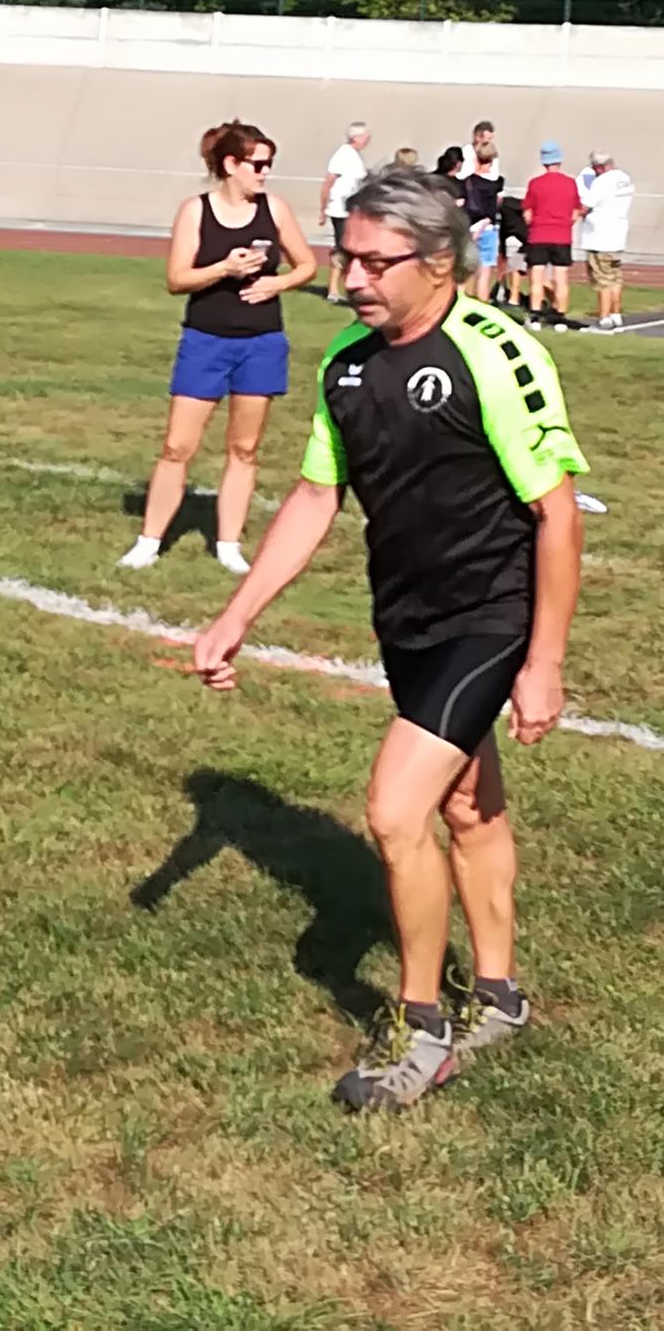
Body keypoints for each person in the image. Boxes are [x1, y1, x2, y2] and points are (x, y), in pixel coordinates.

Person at [194, 165, 586, 1111]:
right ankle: (498, 995)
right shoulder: (347, 364)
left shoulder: (492, 352)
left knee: (393, 812)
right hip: (406, 617)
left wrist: (541, 662)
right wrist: (235, 614)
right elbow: (318, 495)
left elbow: (558, 515)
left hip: (489, 614)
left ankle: (423, 1030)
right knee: (466, 807)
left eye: (376, 262)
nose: (352, 279)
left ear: (439, 261)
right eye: (345, 258)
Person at [118, 121, 316, 576]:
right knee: (177, 446)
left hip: (261, 342)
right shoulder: (196, 211)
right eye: (258, 165)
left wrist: (279, 282)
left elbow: (306, 264)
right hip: (205, 341)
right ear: (231, 165)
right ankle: (149, 541)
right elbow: (176, 279)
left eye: (269, 165)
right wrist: (224, 268)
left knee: (244, 448)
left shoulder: (275, 209)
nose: (265, 173)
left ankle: (228, 545)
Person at [523, 143, 583, 331]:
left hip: (539, 234)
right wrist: (565, 224)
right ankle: (560, 316)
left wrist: (535, 223)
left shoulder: (535, 184)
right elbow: (576, 211)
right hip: (561, 236)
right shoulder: (570, 183)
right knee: (561, 277)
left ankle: (535, 316)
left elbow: (527, 213)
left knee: (536, 277)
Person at [580, 150, 634, 330]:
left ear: (600, 167)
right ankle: (615, 313)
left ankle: (604, 317)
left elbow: (585, 206)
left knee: (602, 278)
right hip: (618, 235)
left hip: (600, 237)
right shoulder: (624, 178)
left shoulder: (601, 182)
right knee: (615, 277)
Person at [319, 122, 371, 305]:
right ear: (356, 137)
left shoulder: (355, 156)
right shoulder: (343, 154)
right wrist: (323, 208)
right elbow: (329, 181)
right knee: (343, 248)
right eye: (365, 136)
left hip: (352, 210)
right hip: (340, 210)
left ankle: (349, 286)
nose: (368, 140)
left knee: (352, 248)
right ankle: (333, 289)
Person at [462, 135, 503, 302]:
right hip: (487, 229)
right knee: (484, 275)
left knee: (464, 273)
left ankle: (461, 305)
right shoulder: (497, 183)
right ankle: (482, 306)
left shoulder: (467, 182)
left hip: (469, 228)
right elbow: (494, 208)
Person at [497, 195, 529, 309]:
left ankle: (514, 300)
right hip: (533, 241)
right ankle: (513, 299)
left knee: (542, 279)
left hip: (536, 242)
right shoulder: (511, 207)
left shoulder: (505, 212)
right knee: (514, 266)